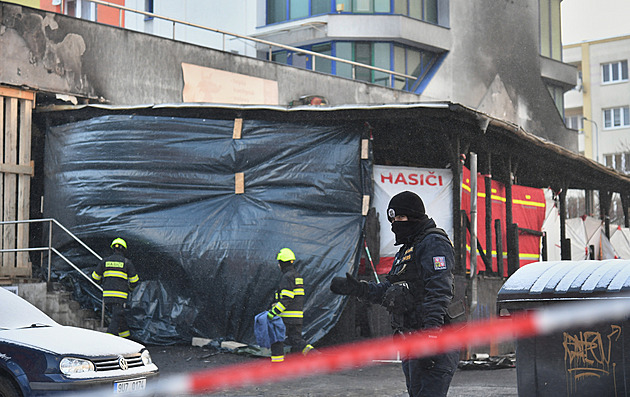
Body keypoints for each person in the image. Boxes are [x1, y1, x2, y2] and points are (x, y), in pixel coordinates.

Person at [330, 191, 459, 397]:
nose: (395, 224)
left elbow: (439, 292)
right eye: (393, 219)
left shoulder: (433, 242)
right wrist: (359, 289)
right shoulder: (407, 248)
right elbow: (388, 288)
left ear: (415, 216)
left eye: (400, 218)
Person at [267, 248, 314, 363]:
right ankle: (314, 355)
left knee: (277, 340)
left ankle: (277, 365)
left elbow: (287, 299)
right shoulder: (297, 276)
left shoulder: (287, 277)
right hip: (297, 317)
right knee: (296, 340)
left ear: (282, 263)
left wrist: (272, 313)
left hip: (286, 317)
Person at [92, 237, 139, 338]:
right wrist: (130, 289)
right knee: (116, 319)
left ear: (113, 249)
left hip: (107, 297)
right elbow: (134, 281)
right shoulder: (127, 263)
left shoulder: (105, 261)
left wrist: (102, 283)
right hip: (120, 297)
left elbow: (95, 277)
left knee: (120, 318)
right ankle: (108, 340)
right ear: (124, 250)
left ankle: (127, 340)